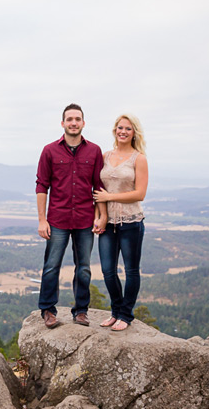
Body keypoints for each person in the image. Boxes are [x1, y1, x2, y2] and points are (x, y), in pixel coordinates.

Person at [36, 103, 107, 328]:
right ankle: (48, 310)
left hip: (85, 220)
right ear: (63, 123)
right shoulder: (49, 150)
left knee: (84, 267)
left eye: (77, 119)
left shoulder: (94, 151)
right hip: (57, 219)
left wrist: (100, 216)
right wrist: (41, 220)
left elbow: (98, 187)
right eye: (70, 119)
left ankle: (81, 311)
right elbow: (41, 186)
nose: (74, 123)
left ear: (83, 123)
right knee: (51, 266)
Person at [93, 114, 149, 332]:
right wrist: (100, 214)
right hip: (108, 222)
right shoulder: (105, 156)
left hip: (131, 222)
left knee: (131, 270)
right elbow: (97, 190)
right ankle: (115, 311)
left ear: (134, 132)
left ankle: (126, 315)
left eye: (127, 128)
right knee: (107, 270)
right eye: (119, 127)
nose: (123, 131)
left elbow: (140, 193)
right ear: (114, 130)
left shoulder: (139, 159)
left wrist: (110, 198)